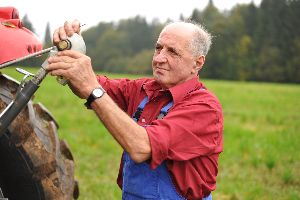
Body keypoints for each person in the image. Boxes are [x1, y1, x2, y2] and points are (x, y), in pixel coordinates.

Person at [47, 20, 223, 200]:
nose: (159, 58)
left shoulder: (204, 108)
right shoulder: (143, 89)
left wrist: (92, 89)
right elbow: (86, 84)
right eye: (158, 48)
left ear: (197, 63)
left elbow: (142, 147)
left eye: (172, 52)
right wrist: (72, 50)